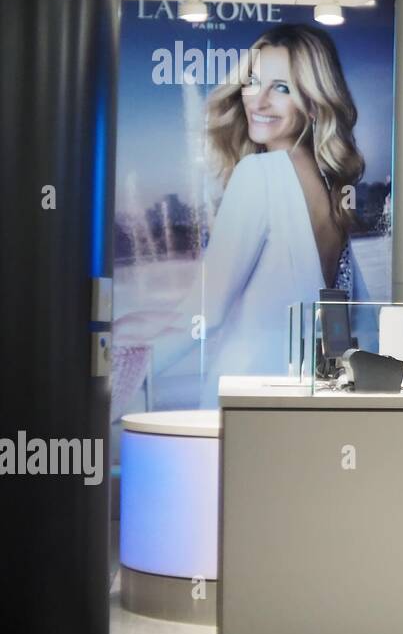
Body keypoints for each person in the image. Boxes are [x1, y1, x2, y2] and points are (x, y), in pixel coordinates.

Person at [114, 23, 370, 406]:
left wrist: (121, 352)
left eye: (281, 88)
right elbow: (355, 319)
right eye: (253, 81)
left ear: (314, 105)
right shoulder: (331, 191)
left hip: (243, 396)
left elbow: (205, 314)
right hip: (301, 399)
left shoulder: (260, 174)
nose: (258, 100)